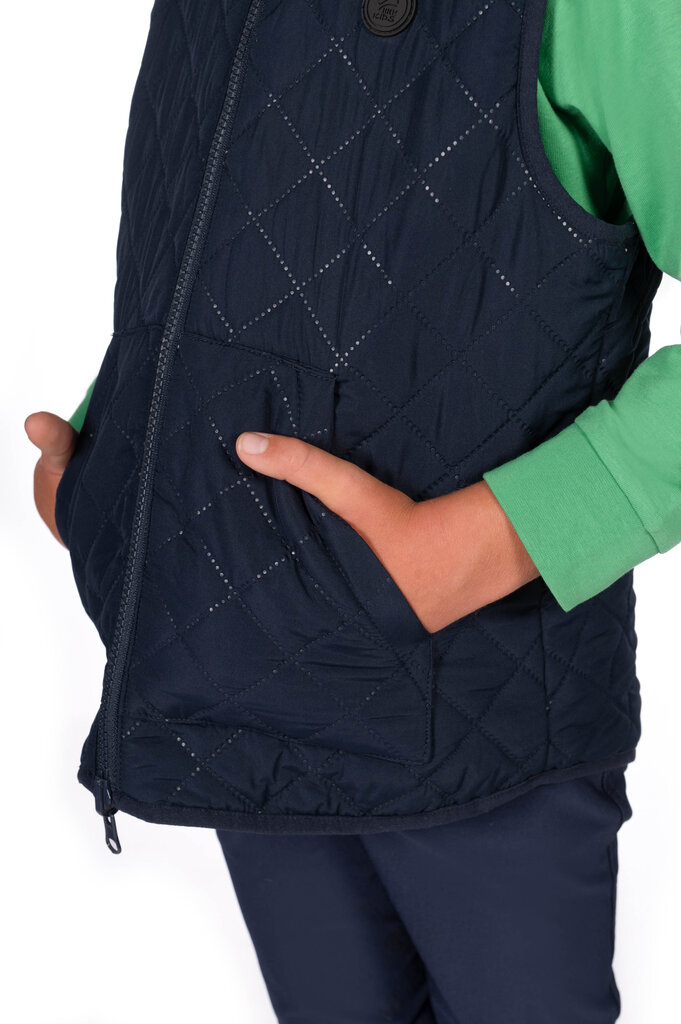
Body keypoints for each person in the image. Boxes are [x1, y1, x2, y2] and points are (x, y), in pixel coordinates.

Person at [24, 1, 681, 1020]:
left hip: (477, 706)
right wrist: (110, 454)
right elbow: (224, 231)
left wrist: (488, 539)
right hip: (238, 672)